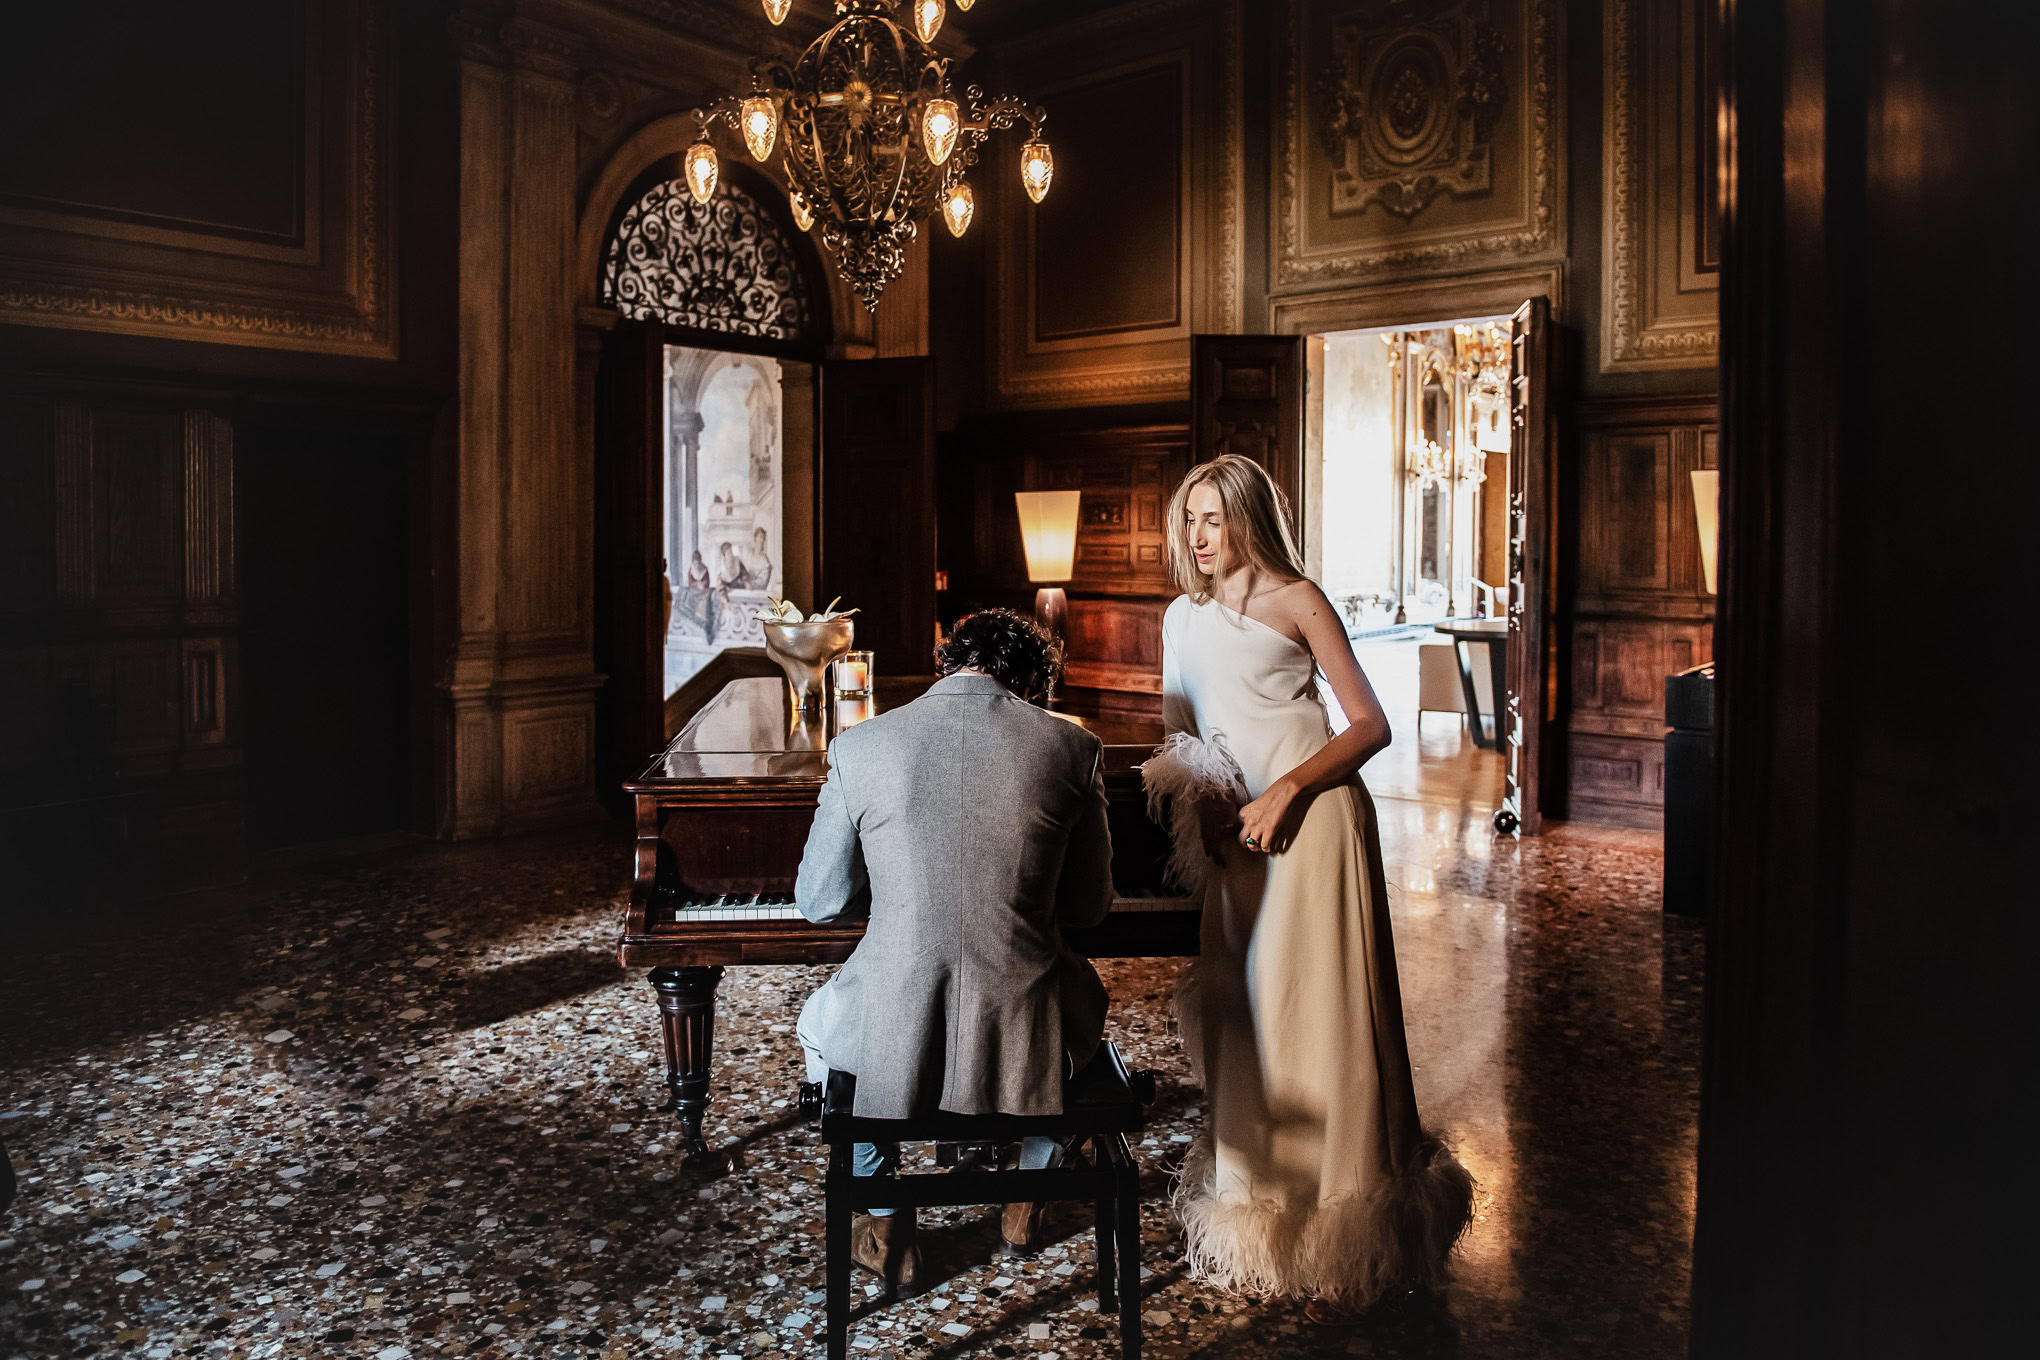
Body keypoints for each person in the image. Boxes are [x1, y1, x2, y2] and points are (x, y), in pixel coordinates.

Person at [1144, 454, 1473, 1318]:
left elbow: (1371, 722)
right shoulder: (1181, 618)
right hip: (1237, 841)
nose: (1199, 536)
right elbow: (1181, 735)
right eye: (1189, 519)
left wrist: (1290, 788)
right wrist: (1210, 804)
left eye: (1213, 518)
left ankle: (1345, 1226)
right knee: (1249, 1010)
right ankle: (1263, 1209)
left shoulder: (1301, 600)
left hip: (1317, 825)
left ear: (1248, 518)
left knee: (1321, 1009)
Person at [794, 609, 1114, 1294]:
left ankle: (883, 1219)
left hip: (893, 1027)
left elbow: (817, 900)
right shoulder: (1074, 750)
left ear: (949, 665)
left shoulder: (862, 746)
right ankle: (1028, 1184)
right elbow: (1089, 909)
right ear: (1032, 681)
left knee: (822, 1034)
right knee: (1083, 1017)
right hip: (1029, 1023)